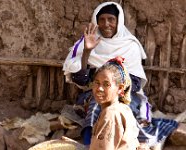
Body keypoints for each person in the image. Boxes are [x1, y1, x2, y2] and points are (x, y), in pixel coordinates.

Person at [63, 1, 178, 149]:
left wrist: (113, 89)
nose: (106, 24)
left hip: (126, 95)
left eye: (111, 19)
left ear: (119, 21)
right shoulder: (88, 43)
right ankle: (89, 144)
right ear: (96, 22)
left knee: (120, 114)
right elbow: (82, 81)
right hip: (95, 93)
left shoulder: (130, 46)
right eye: (102, 20)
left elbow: (134, 84)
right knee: (96, 105)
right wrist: (87, 51)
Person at [89, 57, 139, 150]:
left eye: (106, 84)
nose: (99, 88)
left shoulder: (110, 114)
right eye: (97, 83)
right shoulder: (124, 108)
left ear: (120, 88)